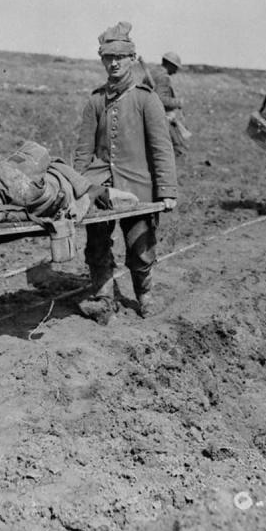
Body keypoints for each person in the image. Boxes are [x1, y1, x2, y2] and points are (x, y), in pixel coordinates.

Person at [72, 22, 178, 323]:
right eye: (108, 57)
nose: (114, 63)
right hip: (100, 188)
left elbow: (161, 149)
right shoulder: (95, 101)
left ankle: (145, 297)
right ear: (102, 60)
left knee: (140, 246)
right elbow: (83, 151)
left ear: (133, 58)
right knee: (96, 246)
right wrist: (78, 189)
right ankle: (104, 296)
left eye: (120, 57)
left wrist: (167, 191)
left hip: (138, 189)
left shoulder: (147, 99)